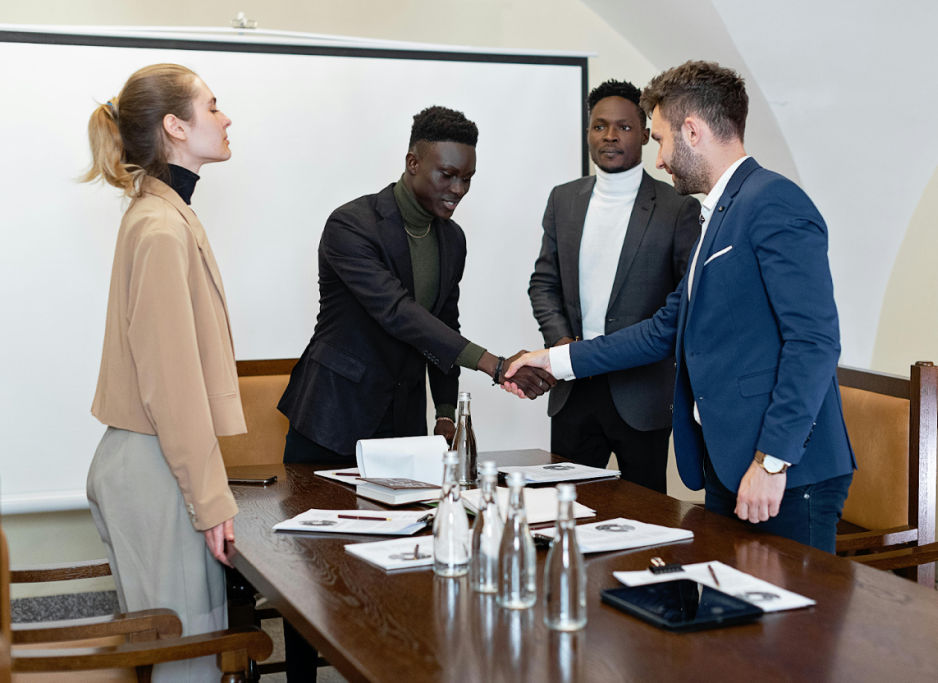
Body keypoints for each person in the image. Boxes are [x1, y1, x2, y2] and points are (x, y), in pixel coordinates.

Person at [506, 61, 856, 554]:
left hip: (784, 472)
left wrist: (773, 461)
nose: (660, 159)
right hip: (730, 460)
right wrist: (554, 361)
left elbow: (814, 342)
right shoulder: (717, 212)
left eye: (662, 141)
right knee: (731, 622)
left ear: (692, 131)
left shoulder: (773, 201)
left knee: (789, 629)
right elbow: (662, 329)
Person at [276, 105, 554, 682]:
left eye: (468, 179)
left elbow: (441, 324)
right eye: (447, 175)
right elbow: (398, 314)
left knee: (394, 563)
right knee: (310, 570)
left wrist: (447, 412)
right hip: (329, 415)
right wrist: (496, 364)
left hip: (400, 424)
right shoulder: (351, 223)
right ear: (412, 162)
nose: (458, 189)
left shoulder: (451, 239)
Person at [85, 64, 242, 682]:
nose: (226, 118)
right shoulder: (159, 226)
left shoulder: (166, 213)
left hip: (150, 460)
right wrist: (209, 501)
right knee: (188, 664)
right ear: (176, 126)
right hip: (153, 466)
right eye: (213, 105)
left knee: (189, 655)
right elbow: (171, 386)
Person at [529, 79, 700, 493]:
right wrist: (564, 345)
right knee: (560, 512)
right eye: (599, 126)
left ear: (644, 134)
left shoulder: (678, 206)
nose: (609, 136)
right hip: (573, 391)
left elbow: (687, 300)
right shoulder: (563, 199)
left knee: (644, 515)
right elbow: (543, 283)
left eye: (623, 127)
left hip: (641, 395)